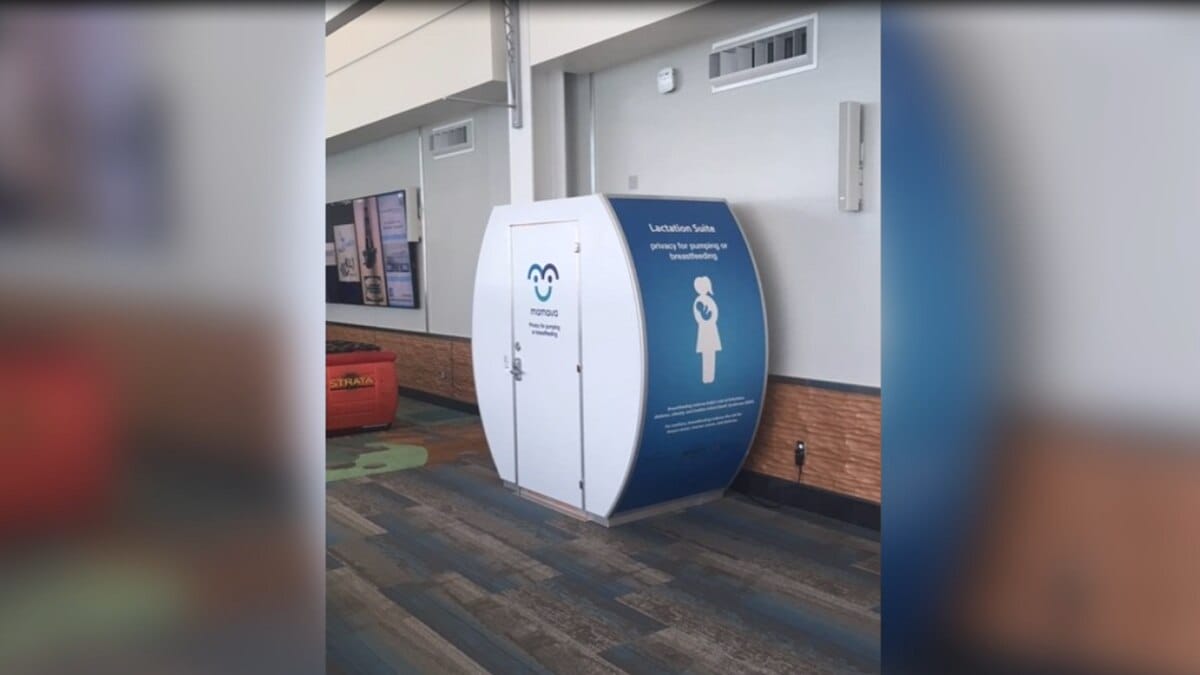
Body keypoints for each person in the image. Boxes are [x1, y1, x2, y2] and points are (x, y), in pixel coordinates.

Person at [693, 276, 721, 383]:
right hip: (706, 329)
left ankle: (709, 378)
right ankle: (707, 378)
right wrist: (707, 319)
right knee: (707, 354)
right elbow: (700, 317)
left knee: (710, 354)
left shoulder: (705, 300)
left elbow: (713, 315)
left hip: (709, 329)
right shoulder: (699, 301)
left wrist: (708, 319)